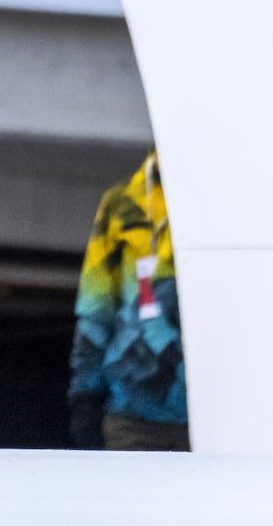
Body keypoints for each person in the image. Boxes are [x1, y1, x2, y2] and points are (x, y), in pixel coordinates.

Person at [67, 148, 188, 451]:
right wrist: (85, 398)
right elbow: (97, 308)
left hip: (223, 417)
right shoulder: (123, 201)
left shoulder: (238, 200)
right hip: (134, 417)